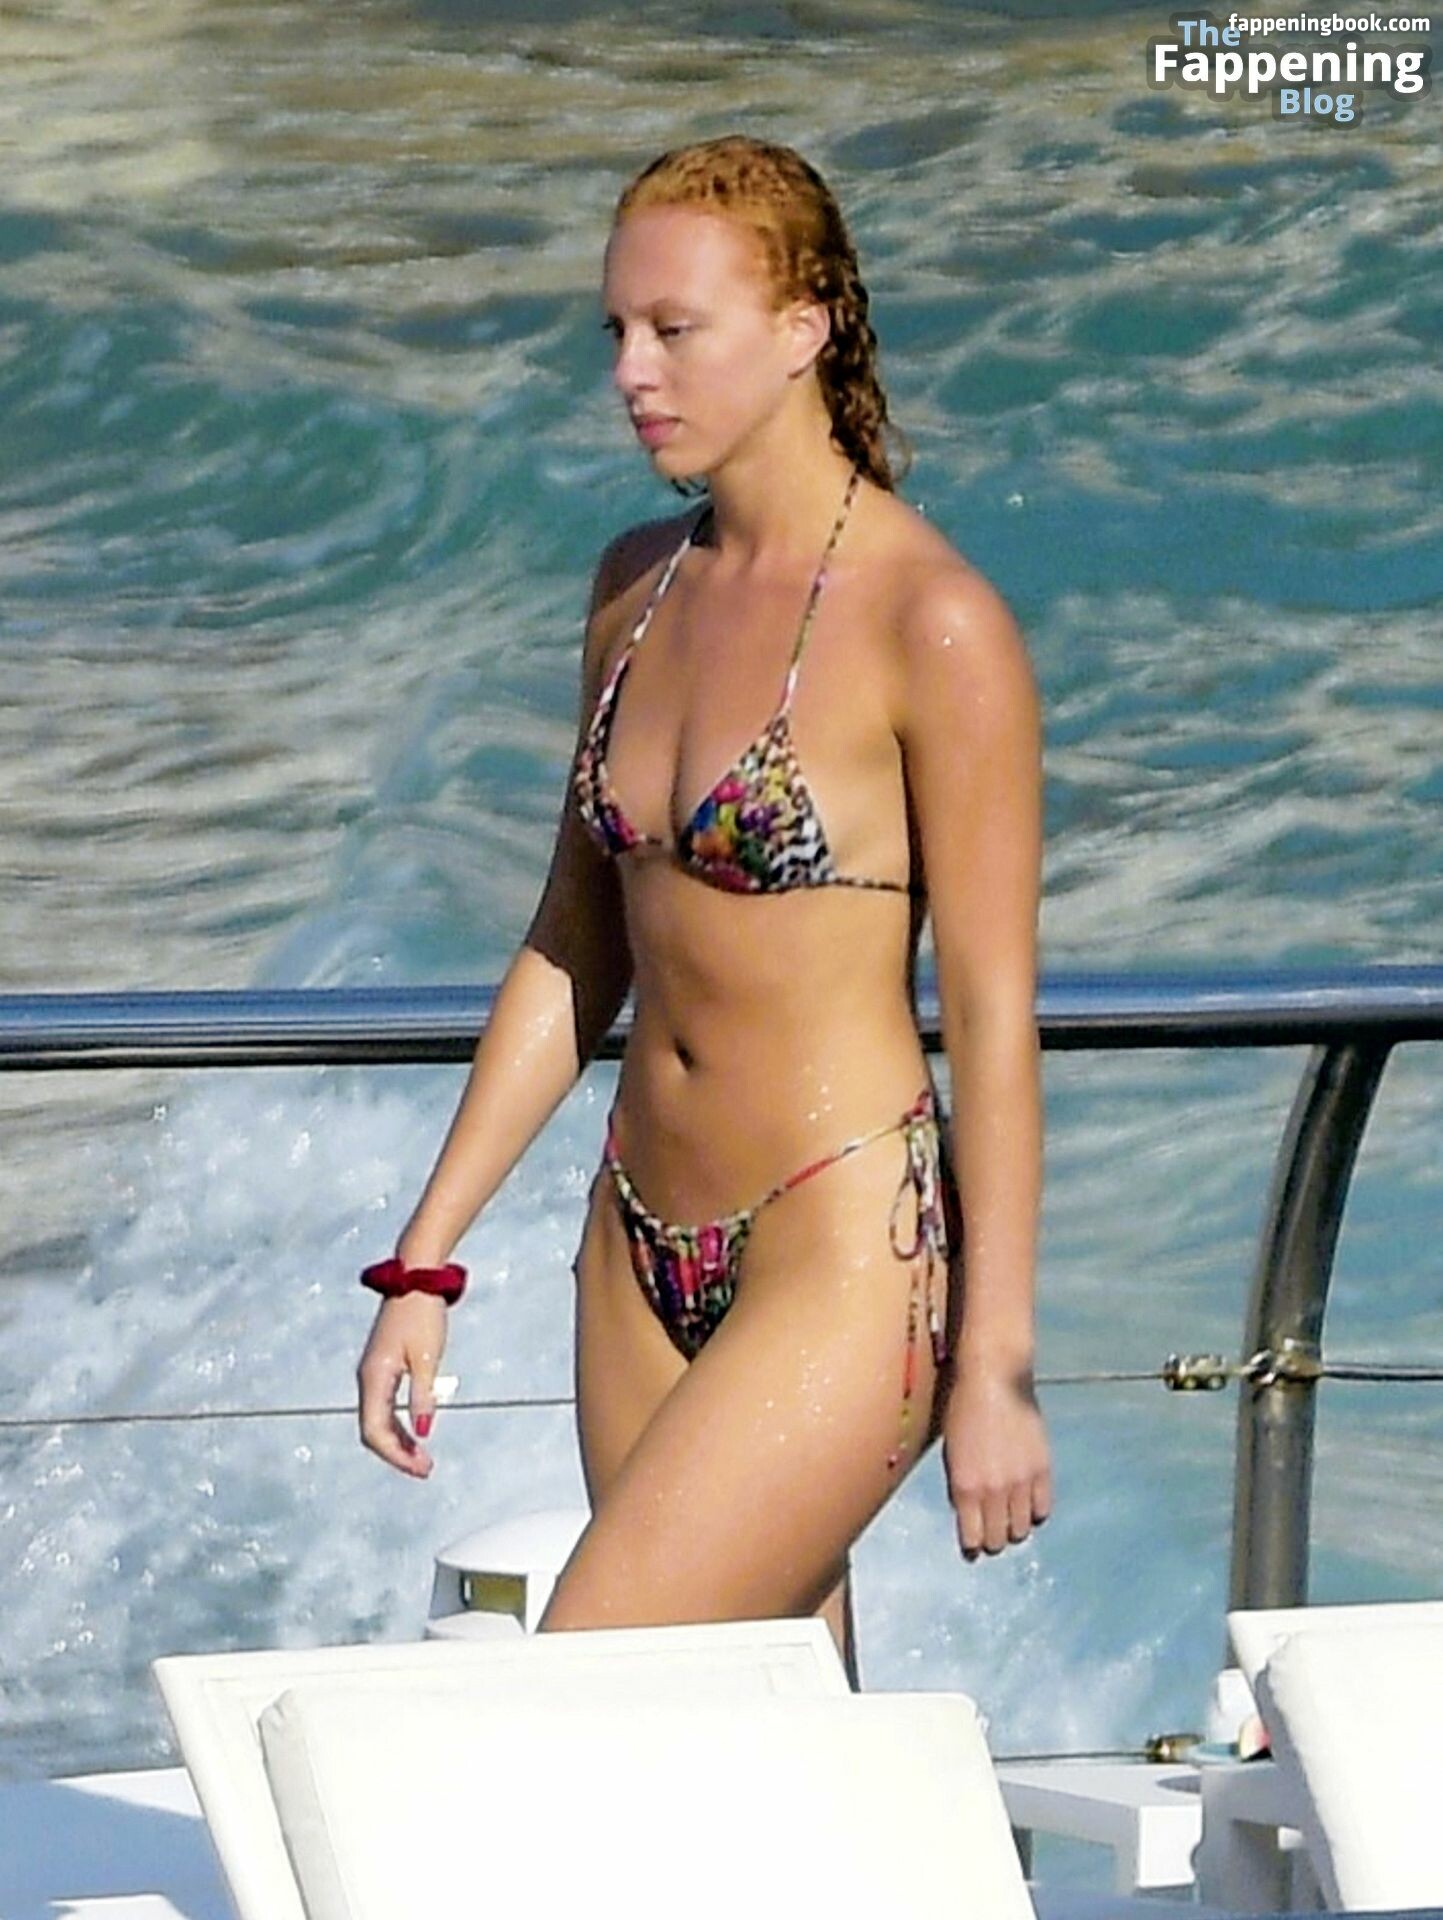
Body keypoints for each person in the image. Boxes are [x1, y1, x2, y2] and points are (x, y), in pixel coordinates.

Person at [356, 134, 1050, 1682]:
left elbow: (995, 1017)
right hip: (637, 1242)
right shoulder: (633, 588)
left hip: (844, 1247)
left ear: (804, 328)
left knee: (596, 1692)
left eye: (676, 329)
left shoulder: (931, 620)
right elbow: (570, 945)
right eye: (616, 329)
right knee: (753, 1744)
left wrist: (995, 1366)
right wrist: (425, 1260)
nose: (631, 371)